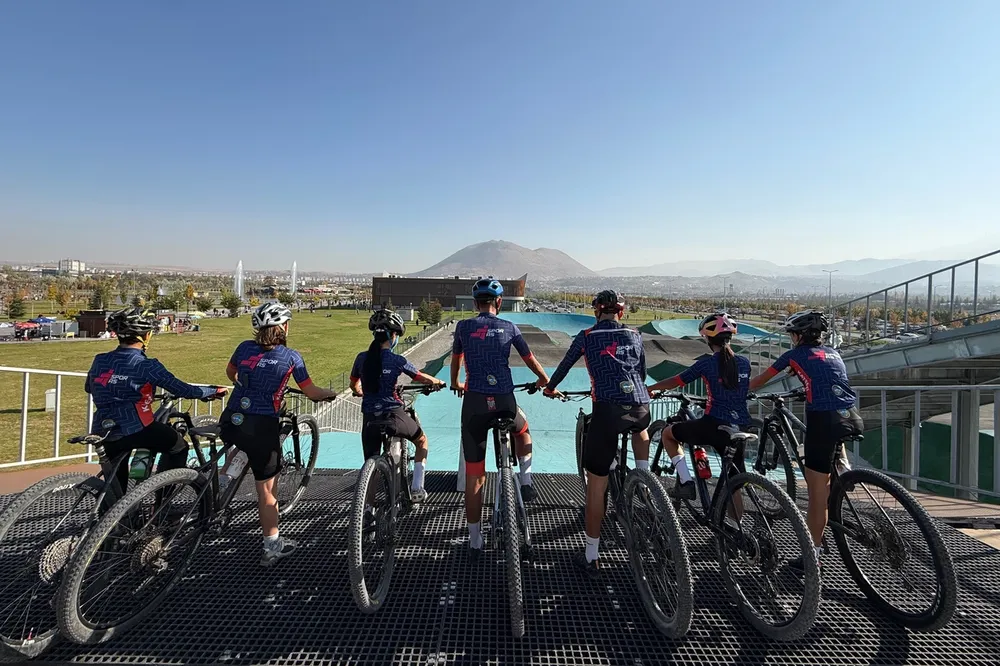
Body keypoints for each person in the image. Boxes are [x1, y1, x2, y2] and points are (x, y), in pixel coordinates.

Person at [544, 290, 651, 577]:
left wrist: (550, 388)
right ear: (621, 312)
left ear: (597, 312)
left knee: (596, 485)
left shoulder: (587, 336)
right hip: (640, 407)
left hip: (607, 412)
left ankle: (591, 556)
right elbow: (641, 372)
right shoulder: (636, 335)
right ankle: (644, 479)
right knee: (640, 428)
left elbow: (565, 366)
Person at [221, 302, 337, 566]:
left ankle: (225, 479)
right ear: (284, 327)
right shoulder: (291, 357)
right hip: (262, 426)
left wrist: (248, 385)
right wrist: (328, 394)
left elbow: (231, 373)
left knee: (241, 440)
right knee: (266, 491)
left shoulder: (243, 348)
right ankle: (272, 546)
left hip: (231, 418)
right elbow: (311, 392)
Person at [749, 309, 862, 571]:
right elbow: (825, 377)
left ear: (799, 336)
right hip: (851, 415)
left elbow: (760, 381)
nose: (791, 338)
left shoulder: (794, 355)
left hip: (823, 420)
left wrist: (734, 391)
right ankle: (843, 468)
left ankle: (813, 557)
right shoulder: (834, 353)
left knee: (816, 495)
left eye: (792, 334)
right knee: (831, 450)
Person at [451, 277, 549, 559]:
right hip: (505, 402)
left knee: (475, 474)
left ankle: (475, 541)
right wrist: (543, 380)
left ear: (475, 304)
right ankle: (526, 481)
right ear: (499, 302)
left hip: (475, 404)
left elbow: (456, 360)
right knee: (523, 429)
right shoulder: (509, 327)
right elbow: (530, 359)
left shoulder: (463, 327)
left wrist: (456, 383)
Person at [85, 307, 227, 495]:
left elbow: (89, 387)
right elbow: (184, 390)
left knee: (116, 486)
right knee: (179, 447)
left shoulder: (100, 360)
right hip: (135, 428)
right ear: (146, 336)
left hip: (103, 428)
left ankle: (115, 510)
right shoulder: (147, 365)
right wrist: (211, 391)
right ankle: (162, 502)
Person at [647, 313, 751, 501]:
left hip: (714, 425)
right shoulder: (744, 363)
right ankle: (732, 520)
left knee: (668, 434)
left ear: (708, 339)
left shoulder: (706, 364)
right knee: (733, 484)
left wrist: (651, 388)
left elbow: (677, 381)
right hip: (741, 426)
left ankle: (686, 483)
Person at [349, 309, 446, 502]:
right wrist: (437, 382)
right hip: (393, 415)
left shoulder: (361, 358)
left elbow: (353, 384)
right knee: (422, 441)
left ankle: (366, 508)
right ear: (393, 336)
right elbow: (420, 377)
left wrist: (359, 391)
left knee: (370, 465)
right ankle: (417, 488)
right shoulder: (397, 360)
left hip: (369, 419)